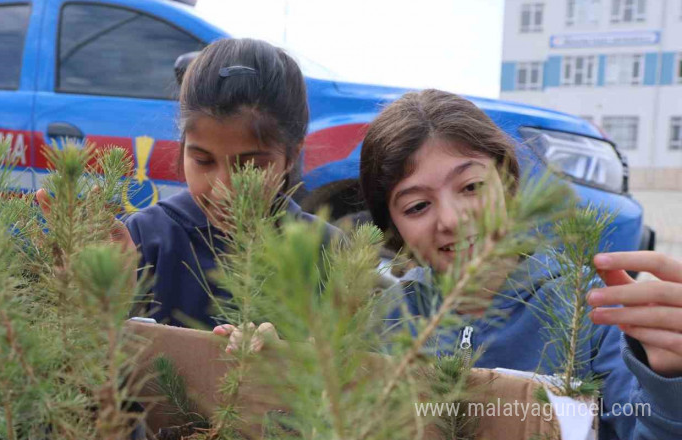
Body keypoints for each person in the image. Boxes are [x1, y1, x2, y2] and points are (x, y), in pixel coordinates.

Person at [217, 89, 682, 439]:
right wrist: (283, 370)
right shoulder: (383, 316)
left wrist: (669, 379)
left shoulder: (593, 312)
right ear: (393, 230)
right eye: (417, 206)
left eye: (471, 187)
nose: (452, 221)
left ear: (508, 181)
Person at [37, 38, 338, 328]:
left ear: (291, 155)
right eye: (204, 161)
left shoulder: (329, 250)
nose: (224, 187)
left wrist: (287, 358)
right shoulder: (144, 240)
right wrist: (100, 300)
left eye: (250, 166)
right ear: (183, 148)